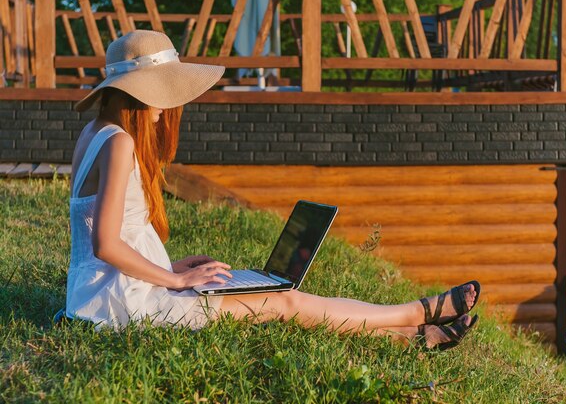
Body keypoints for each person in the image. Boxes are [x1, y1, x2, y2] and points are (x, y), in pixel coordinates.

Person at [66, 30, 480, 350]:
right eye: (162, 94)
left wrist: (169, 267)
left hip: (105, 296)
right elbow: (105, 244)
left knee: (281, 296)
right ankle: (419, 311)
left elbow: (104, 238)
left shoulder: (95, 133)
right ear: (139, 93)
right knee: (284, 302)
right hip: (126, 307)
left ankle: (412, 338)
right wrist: (175, 281)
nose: (165, 108)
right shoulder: (121, 143)